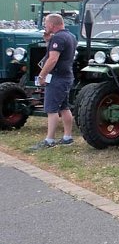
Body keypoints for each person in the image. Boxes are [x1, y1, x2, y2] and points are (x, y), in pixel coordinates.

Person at [30, 13, 77, 149]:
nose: (44, 26)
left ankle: (49, 140)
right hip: (66, 76)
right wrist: (48, 42)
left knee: (52, 109)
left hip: (57, 78)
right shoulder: (70, 36)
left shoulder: (58, 37)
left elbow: (53, 59)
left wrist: (42, 76)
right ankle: (67, 137)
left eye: (45, 24)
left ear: (51, 24)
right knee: (64, 107)